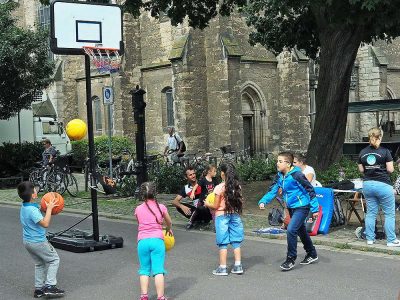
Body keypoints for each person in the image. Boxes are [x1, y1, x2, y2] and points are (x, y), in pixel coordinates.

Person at [258, 152, 319, 271]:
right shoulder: (280, 176)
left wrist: (315, 209)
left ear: (288, 164)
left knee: (291, 229)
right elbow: (272, 190)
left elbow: (310, 189)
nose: (277, 163)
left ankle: (290, 259)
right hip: (291, 207)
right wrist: (263, 201)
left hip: (302, 206)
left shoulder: (297, 175)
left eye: (280, 161)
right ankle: (311, 253)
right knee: (301, 230)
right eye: (277, 161)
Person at [18, 181, 65, 298]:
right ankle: (50, 286)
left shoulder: (25, 206)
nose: (36, 191)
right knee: (54, 260)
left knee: (39, 263)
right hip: (38, 242)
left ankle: (38, 289)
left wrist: (43, 207)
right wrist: (49, 209)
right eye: (35, 190)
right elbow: (45, 223)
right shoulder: (33, 211)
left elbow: (36, 209)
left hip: (28, 242)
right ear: (33, 195)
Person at [358, 127, 400, 247]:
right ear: (380, 137)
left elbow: (361, 169)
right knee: (389, 213)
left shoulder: (362, 152)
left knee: (371, 213)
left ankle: (370, 239)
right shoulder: (385, 151)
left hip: (367, 185)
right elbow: (390, 170)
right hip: (383, 185)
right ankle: (391, 240)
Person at [134, 182, 173, 300]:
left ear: (142, 195)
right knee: (158, 270)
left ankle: (144, 296)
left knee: (144, 269)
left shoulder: (138, 209)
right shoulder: (161, 207)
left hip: (142, 241)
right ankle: (160, 297)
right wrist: (168, 229)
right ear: (155, 193)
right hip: (157, 240)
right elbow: (169, 222)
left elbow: (140, 223)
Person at [205, 162, 244, 276]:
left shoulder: (219, 188)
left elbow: (216, 206)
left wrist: (207, 203)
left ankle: (222, 267)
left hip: (222, 216)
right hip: (235, 215)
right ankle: (238, 265)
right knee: (236, 241)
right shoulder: (237, 186)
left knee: (223, 242)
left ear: (222, 174)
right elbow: (240, 202)